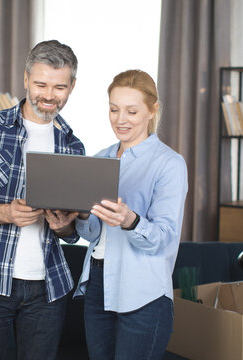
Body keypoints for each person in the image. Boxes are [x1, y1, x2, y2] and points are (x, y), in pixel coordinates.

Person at [0, 40, 85, 360]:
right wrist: (6, 212)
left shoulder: (73, 145)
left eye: (59, 87)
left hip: (47, 288)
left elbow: (72, 232)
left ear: (72, 87)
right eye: (40, 84)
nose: (49, 95)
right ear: (25, 80)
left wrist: (64, 226)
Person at [74, 69, 188, 360]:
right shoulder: (100, 158)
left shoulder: (169, 164)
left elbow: (162, 238)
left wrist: (130, 221)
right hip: (97, 284)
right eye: (114, 109)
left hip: (143, 292)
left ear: (152, 110)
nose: (120, 119)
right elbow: (91, 235)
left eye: (131, 111)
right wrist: (82, 215)